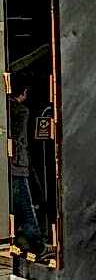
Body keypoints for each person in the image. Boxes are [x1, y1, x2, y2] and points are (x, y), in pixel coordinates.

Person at [9, 79, 41, 254]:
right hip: (17, 165)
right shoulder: (21, 111)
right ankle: (37, 245)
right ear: (23, 92)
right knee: (26, 207)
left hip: (7, 165)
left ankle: (19, 241)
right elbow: (20, 140)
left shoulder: (5, 108)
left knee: (15, 207)